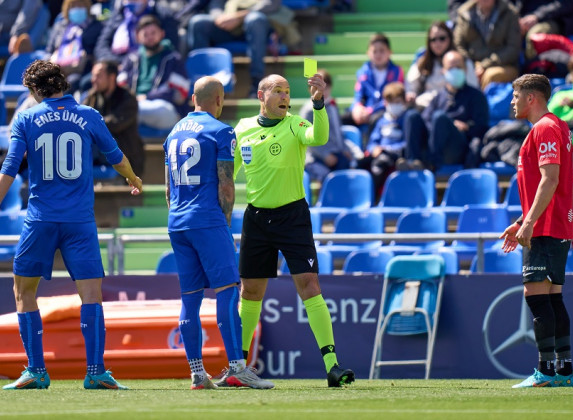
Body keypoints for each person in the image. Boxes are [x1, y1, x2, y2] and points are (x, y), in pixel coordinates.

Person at [0, 60, 142, 390]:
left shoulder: (26, 118)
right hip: (79, 220)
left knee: (23, 291)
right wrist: (133, 177)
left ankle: (36, 370)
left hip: (40, 218)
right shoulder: (89, 115)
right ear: (63, 84)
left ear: (35, 90)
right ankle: (95, 370)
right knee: (91, 294)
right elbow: (115, 155)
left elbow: (9, 169)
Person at [233, 73, 355, 387]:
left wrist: (318, 104)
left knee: (309, 284)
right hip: (256, 219)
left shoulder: (295, 125)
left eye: (287, 91)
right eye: (278, 91)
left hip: (293, 217)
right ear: (261, 95)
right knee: (250, 292)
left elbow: (320, 138)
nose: (284, 96)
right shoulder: (242, 129)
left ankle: (332, 365)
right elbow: (228, 175)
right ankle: (238, 368)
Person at [164, 76, 274, 390]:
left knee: (190, 297)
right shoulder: (221, 131)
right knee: (227, 291)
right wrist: (223, 223)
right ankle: (238, 368)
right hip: (208, 219)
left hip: (178, 221)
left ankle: (198, 373)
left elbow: (169, 189)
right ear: (219, 99)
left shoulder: (173, 133)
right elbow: (226, 185)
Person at [499, 74, 573, 388]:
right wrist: (522, 220)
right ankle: (564, 371)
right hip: (554, 223)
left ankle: (545, 371)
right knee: (553, 299)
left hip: (545, 228)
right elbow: (545, 189)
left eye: (516, 96)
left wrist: (528, 225)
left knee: (536, 297)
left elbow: (550, 180)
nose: (512, 102)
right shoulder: (555, 126)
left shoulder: (544, 128)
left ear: (531, 98)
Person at [405, 50, 489, 172]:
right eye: (450, 68)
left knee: (439, 117)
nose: (455, 71)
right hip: (433, 144)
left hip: (457, 148)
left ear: (465, 69)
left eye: (458, 67)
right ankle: (412, 162)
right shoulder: (438, 97)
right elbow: (425, 121)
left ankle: (432, 164)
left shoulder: (476, 96)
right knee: (412, 116)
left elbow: (482, 127)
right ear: (443, 71)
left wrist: (466, 126)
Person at [187, 0, 278, 98]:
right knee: (198, 22)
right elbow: (216, 4)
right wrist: (221, 18)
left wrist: (239, 17)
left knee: (255, 19)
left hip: (254, 25)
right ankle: (202, 86)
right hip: (226, 25)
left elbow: (271, 4)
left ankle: (257, 84)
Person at [118, 15, 190, 131]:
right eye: (145, 34)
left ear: (162, 33)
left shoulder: (173, 59)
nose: (150, 37)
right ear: (137, 37)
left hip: (165, 110)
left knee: (132, 110)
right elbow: (120, 86)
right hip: (133, 105)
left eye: (153, 33)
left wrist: (146, 97)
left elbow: (177, 93)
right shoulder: (131, 59)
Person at [83, 60, 144, 176]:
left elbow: (114, 124)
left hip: (124, 155)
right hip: (100, 152)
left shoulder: (127, 98)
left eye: (98, 76)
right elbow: (82, 119)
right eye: (93, 75)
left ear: (112, 77)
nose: (93, 80)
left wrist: (92, 123)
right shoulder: (92, 96)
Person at [405, 21, 478, 109]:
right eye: (433, 40)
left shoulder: (463, 62)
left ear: (450, 39)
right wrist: (411, 95)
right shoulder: (422, 63)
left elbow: (473, 88)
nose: (437, 43)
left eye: (442, 38)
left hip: (456, 106)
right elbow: (411, 87)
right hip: (426, 107)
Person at [300, 69, 355, 182]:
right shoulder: (309, 110)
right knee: (327, 176)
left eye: (325, 87)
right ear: (309, 89)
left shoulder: (332, 106)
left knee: (349, 164)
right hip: (316, 157)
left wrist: (343, 148)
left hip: (336, 152)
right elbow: (306, 138)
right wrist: (325, 155)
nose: (321, 91)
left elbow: (338, 132)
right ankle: (326, 198)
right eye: (316, 88)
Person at [452, 0, 521, 89]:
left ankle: (481, 102)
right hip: (471, 64)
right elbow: (458, 45)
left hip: (503, 65)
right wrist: (470, 65)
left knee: (490, 75)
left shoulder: (510, 13)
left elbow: (513, 49)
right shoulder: (464, 13)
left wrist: (485, 65)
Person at [358, 82, 409, 195]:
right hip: (379, 153)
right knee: (359, 163)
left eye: (397, 102)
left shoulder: (406, 120)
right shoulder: (381, 121)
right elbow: (372, 142)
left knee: (379, 163)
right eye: (391, 102)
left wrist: (386, 148)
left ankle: (371, 196)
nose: (394, 106)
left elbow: (406, 143)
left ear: (404, 102)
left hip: (394, 155)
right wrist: (374, 148)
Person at [45, 0, 103, 95]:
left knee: (69, 83)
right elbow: (49, 50)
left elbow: (97, 51)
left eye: (80, 4)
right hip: (57, 68)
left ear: (87, 7)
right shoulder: (60, 26)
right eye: (73, 5)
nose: (76, 8)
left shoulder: (96, 27)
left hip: (81, 69)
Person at [347, 33, 405, 129]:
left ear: (390, 52)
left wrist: (370, 111)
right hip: (364, 111)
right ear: (368, 53)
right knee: (342, 119)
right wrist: (357, 108)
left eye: (382, 51)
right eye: (374, 51)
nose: (378, 54)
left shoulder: (397, 72)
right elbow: (358, 94)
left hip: (385, 110)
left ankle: (371, 144)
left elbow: (394, 97)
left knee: (375, 120)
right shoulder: (363, 72)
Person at [94, 0, 179, 63]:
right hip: (116, 66)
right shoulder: (118, 15)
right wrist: (116, 63)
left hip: (149, 64)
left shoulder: (163, 16)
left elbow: (170, 46)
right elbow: (101, 46)